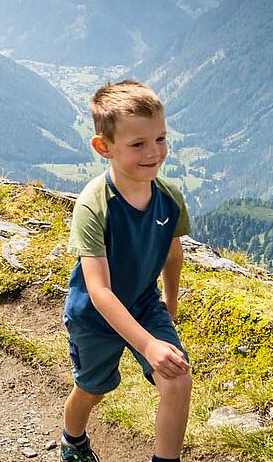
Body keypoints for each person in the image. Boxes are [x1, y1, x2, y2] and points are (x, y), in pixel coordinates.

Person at [58, 80, 191, 462]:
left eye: (161, 139)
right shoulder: (94, 205)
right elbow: (99, 291)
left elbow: (172, 254)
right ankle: (73, 439)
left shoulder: (168, 198)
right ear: (104, 147)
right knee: (93, 390)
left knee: (177, 379)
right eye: (138, 144)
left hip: (145, 305)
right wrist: (148, 345)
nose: (154, 153)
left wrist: (168, 303)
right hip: (93, 319)